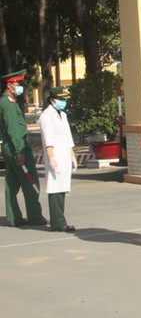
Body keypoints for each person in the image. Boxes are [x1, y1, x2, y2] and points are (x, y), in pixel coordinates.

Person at [0, 69, 47, 227]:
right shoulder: (9, 105)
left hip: (8, 146)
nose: (20, 86)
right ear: (9, 85)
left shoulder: (4, 102)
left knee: (12, 183)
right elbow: (13, 129)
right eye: (17, 83)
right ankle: (35, 217)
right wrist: (19, 150)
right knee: (30, 181)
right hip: (16, 147)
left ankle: (13, 217)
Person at [38, 87, 77, 232]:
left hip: (64, 154)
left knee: (62, 187)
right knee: (55, 188)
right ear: (52, 100)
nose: (63, 102)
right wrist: (51, 158)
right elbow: (48, 138)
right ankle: (57, 222)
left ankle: (60, 220)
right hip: (55, 155)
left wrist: (72, 154)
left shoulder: (63, 115)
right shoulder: (47, 116)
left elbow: (67, 136)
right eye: (60, 99)